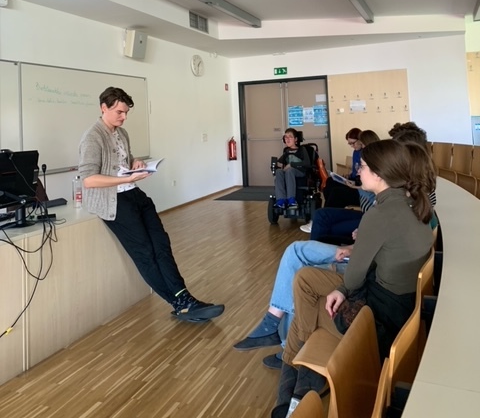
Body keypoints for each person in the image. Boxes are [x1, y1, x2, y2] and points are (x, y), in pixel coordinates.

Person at [271, 139, 436, 417]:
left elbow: (355, 277)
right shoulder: (413, 205)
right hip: (398, 307)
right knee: (304, 279)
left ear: (379, 175)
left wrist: (343, 288)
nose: (358, 170)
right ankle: (299, 387)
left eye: (364, 166)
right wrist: (344, 286)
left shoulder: (380, 215)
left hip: (378, 322)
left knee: (304, 314)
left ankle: (294, 389)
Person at [78, 86, 225, 322]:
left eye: (126, 112)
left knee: (161, 245)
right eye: (119, 112)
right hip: (114, 202)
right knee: (145, 253)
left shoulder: (121, 133)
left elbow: (123, 161)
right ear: (103, 108)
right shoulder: (92, 137)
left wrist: (135, 163)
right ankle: (179, 304)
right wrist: (125, 179)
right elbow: (88, 179)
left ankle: (185, 298)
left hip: (134, 194)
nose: (124, 117)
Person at [232, 235, 354, 368]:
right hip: (356, 254)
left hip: (358, 266)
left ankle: (280, 337)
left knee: (300, 274)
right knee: (294, 251)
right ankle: (272, 326)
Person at [300, 129, 379, 237]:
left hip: (362, 190)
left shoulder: (373, 159)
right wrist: (349, 178)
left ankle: (325, 217)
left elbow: (369, 186)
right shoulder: (360, 154)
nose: (353, 146)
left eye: (355, 143)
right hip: (359, 185)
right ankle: (329, 212)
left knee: (336, 193)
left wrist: (355, 186)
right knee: (330, 182)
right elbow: (357, 172)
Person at [274, 128, 312, 208]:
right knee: (278, 172)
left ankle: (291, 199)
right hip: (289, 172)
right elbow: (279, 162)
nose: (287, 139)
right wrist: (277, 165)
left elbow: (307, 163)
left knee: (289, 170)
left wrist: (291, 165)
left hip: (300, 172)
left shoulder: (302, 149)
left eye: (290, 137)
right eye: (286, 137)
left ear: (296, 139)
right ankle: (281, 200)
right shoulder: (286, 151)